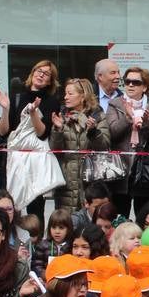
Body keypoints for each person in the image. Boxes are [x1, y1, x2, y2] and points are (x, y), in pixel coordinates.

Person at [0, 60, 62, 217]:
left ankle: (36, 240)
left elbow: (42, 133)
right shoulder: (17, 97)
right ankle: (9, 239)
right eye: (38, 70)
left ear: (50, 81)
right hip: (14, 159)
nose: (41, 74)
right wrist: (5, 110)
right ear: (32, 73)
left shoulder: (52, 101)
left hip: (35, 160)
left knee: (36, 207)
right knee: (8, 204)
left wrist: (33, 113)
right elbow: (3, 132)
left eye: (46, 74)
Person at [105, 65, 149, 213]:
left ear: (144, 87)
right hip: (120, 168)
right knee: (119, 215)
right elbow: (112, 133)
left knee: (143, 214)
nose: (130, 85)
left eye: (136, 82)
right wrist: (128, 118)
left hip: (145, 169)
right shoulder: (115, 104)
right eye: (127, 81)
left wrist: (147, 123)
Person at [50, 78, 111, 213]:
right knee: (67, 222)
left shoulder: (97, 115)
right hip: (67, 180)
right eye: (65, 93)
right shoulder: (62, 116)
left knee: (90, 223)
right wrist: (58, 129)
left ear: (83, 96)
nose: (66, 97)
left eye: (70, 94)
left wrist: (93, 131)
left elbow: (105, 147)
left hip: (91, 178)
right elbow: (55, 150)